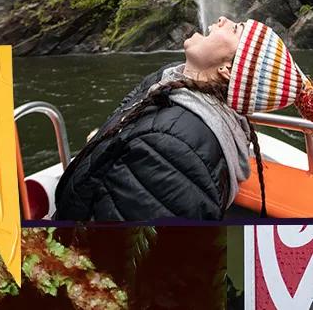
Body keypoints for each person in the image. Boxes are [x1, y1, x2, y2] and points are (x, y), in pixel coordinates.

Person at [54, 17, 313, 221]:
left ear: (227, 70)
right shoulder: (170, 83)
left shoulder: (171, 148)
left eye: (236, 29)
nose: (222, 18)